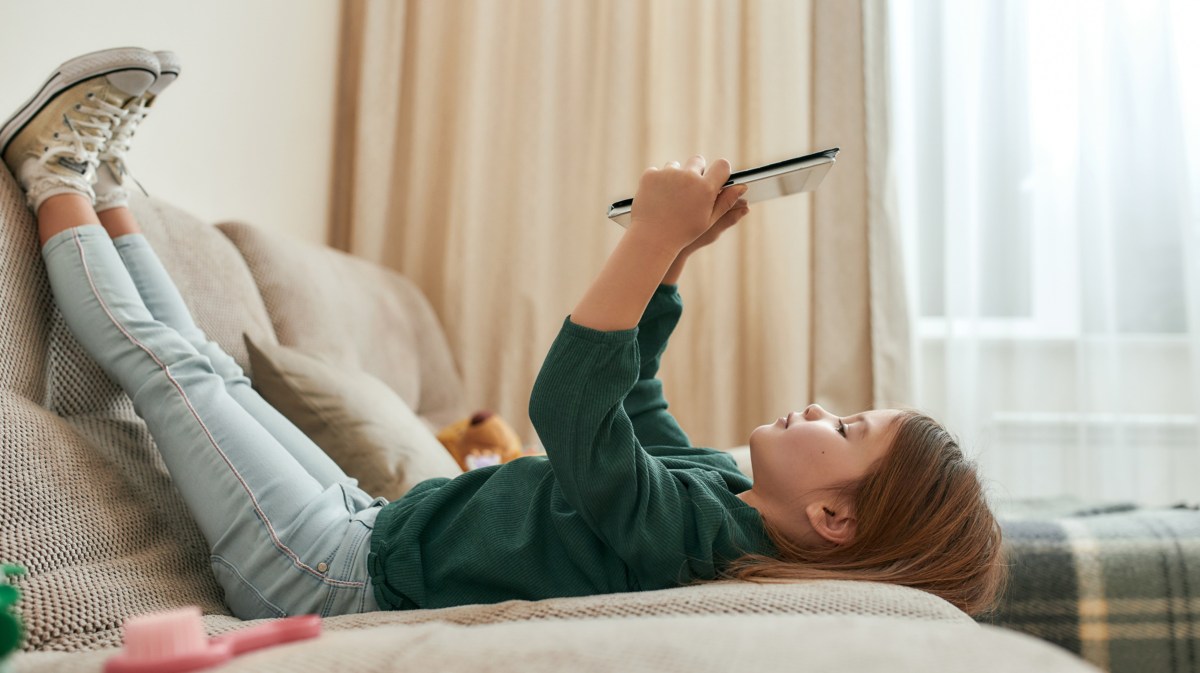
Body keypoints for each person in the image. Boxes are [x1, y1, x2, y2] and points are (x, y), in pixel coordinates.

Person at [2, 48, 1006, 621]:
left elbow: (572, 410)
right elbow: (634, 405)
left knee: (179, 370)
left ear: (833, 519)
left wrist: (649, 235)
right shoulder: (719, 492)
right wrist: (670, 264)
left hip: (327, 574)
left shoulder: (697, 541)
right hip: (372, 530)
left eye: (848, 429)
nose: (822, 408)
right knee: (211, 370)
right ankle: (108, 189)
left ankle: (51, 170)